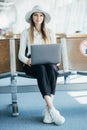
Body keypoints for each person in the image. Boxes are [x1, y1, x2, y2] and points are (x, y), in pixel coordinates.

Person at [18, 5, 65, 125]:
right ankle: (52, 109)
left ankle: (49, 109)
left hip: (48, 62)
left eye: (40, 15)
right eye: (35, 15)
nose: (38, 18)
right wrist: (29, 61)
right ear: (32, 17)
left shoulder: (50, 32)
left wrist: (56, 60)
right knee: (41, 68)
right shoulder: (25, 33)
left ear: (43, 17)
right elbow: (20, 55)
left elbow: (54, 50)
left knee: (53, 68)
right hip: (32, 63)